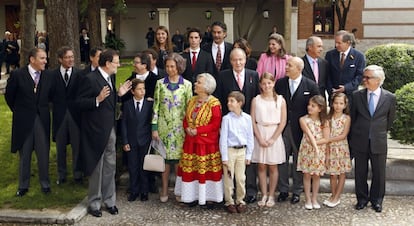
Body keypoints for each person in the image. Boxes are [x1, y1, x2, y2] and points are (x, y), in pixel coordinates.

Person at [76, 49, 132, 217]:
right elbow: (78, 103)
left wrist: (119, 95)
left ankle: (110, 201)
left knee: (110, 167)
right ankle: (94, 203)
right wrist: (96, 100)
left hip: (110, 130)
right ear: (107, 64)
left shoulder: (110, 77)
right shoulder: (90, 79)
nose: (119, 65)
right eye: (116, 62)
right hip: (95, 131)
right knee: (97, 168)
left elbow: (109, 103)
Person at [214, 48, 260, 203]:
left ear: (245, 60)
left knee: (247, 162)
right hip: (230, 123)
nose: (238, 63)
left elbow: (255, 99)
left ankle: (250, 191)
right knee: (230, 169)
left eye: (240, 59)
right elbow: (219, 101)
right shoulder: (223, 76)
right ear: (230, 61)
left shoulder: (253, 75)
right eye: (234, 60)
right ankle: (229, 196)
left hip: (247, 123)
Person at [5, 48, 53, 196]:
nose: (45, 61)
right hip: (24, 121)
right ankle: (23, 186)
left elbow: (50, 96)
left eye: (45, 58)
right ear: (32, 59)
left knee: (43, 152)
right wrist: (20, 111)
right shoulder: (17, 75)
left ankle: (45, 184)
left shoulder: (48, 75)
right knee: (25, 154)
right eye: (42, 58)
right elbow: (9, 97)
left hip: (41, 119)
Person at [350, 65, 396, 213]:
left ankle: (377, 200)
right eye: (364, 76)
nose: (364, 80)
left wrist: (378, 132)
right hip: (360, 140)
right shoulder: (357, 96)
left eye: (368, 77)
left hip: (379, 141)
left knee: (379, 173)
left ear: (378, 80)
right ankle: (362, 199)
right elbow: (353, 118)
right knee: (360, 172)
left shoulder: (390, 97)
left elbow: (390, 120)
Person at [275, 56, 319, 204]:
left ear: (299, 69)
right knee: (282, 159)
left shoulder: (311, 85)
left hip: (301, 129)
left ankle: (297, 191)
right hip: (282, 127)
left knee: (299, 160)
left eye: (290, 65)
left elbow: (318, 106)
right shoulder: (280, 83)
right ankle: (283, 189)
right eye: (286, 64)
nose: (286, 67)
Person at [174, 73, 223, 208]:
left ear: (206, 87)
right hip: (191, 143)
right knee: (192, 171)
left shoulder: (214, 103)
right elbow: (185, 119)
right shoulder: (192, 100)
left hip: (206, 145)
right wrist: (187, 128)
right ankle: (191, 196)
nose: (195, 84)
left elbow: (215, 124)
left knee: (206, 172)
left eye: (199, 83)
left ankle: (209, 198)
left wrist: (198, 131)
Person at [151, 53, 193, 203]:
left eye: (172, 66)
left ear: (179, 67)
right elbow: (155, 106)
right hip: (163, 128)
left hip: (180, 129)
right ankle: (164, 188)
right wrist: (154, 128)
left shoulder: (187, 85)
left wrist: (189, 127)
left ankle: (179, 190)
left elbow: (190, 108)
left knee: (179, 161)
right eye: (167, 66)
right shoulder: (160, 84)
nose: (169, 69)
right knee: (165, 161)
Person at [251, 72, 287, 207]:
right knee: (261, 165)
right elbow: (253, 120)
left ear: (274, 83)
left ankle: (271, 195)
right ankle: (264, 194)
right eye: (264, 83)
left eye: (269, 83)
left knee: (273, 166)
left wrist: (273, 139)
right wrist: (259, 138)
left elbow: (282, 122)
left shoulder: (280, 100)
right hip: (260, 132)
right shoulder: (256, 100)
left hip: (274, 133)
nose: (267, 86)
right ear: (260, 84)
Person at [51, 46, 83, 184]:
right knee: (60, 147)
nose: (70, 59)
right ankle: (61, 175)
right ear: (60, 59)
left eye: (72, 57)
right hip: (59, 116)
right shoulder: (51, 75)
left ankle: (77, 174)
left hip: (75, 116)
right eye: (67, 57)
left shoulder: (79, 74)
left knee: (77, 146)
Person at [219, 91, 254, 214]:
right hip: (230, 151)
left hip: (242, 151)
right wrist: (224, 156)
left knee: (240, 178)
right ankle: (229, 201)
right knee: (229, 177)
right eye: (228, 101)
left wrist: (249, 154)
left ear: (240, 103)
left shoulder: (247, 118)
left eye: (232, 101)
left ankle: (240, 200)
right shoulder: (226, 119)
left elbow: (250, 137)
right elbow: (223, 138)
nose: (229, 103)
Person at [121, 78, 153, 202]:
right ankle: (134, 190)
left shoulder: (149, 104)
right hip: (131, 141)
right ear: (133, 91)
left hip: (145, 141)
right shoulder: (127, 105)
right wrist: (125, 141)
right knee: (133, 167)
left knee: (144, 167)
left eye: (143, 88)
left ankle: (144, 191)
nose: (142, 91)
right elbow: (123, 124)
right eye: (139, 89)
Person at [297, 95, 330, 210]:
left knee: (316, 176)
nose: (309, 107)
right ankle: (307, 198)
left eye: (313, 106)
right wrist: (313, 145)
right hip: (307, 150)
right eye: (309, 105)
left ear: (320, 108)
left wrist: (316, 144)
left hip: (319, 151)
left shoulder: (325, 121)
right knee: (306, 175)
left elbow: (326, 138)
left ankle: (314, 198)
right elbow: (308, 134)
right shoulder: (303, 119)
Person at [324, 93, 352, 208]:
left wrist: (328, 139)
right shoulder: (328, 117)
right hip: (330, 148)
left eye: (341, 103)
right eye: (336, 103)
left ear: (345, 105)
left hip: (341, 148)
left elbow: (343, 135)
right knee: (332, 174)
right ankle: (333, 194)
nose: (338, 106)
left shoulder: (346, 118)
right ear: (332, 103)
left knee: (341, 173)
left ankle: (337, 196)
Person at [325, 30, 366, 106]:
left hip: (350, 97)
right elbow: (327, 75)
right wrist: (331, 90)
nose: (336, 45)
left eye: (339, 43)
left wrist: (346, 88)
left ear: (348, 43)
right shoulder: (330, 55)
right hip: (334, 97)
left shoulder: (359, 56)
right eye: (335, 42)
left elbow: (359, 76)